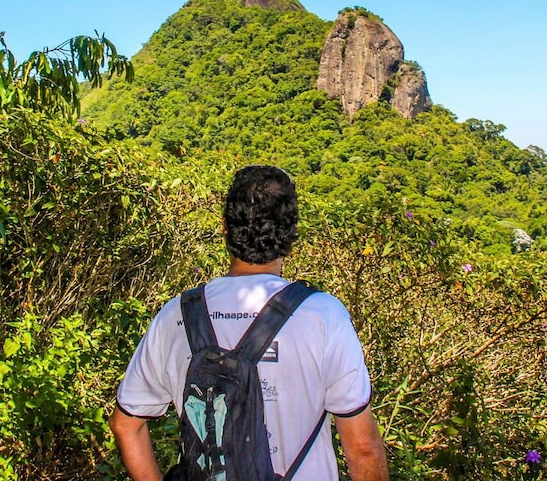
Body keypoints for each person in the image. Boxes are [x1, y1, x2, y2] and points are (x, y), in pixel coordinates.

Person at [109, 165, 389, 480]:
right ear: (290, 233)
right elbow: (362, 447)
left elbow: (126, 425)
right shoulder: (323, 316)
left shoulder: (177, 315)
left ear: (225, 228)